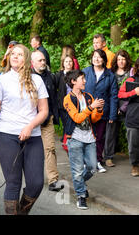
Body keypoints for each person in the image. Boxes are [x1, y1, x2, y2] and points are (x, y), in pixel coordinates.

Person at [0, 44, 49, 215]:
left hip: (32, 136)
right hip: (7, 137)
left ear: (26, 59)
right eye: (13, 53)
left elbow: (44, 111)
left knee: (36, 183)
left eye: (20, 54)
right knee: (13, 182)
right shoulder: (1, 80)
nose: (15, 56)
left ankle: (21, 212)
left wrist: (30, 126)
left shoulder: (37, 80)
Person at [63, 70, 104, 210]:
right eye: (82, 79)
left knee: (92, 168)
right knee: (78, 170)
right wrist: (91, 107)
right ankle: (81, 196)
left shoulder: (88, 96)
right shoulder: (68, 99)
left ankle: (78, 182)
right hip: (74, 138)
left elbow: (93, 119)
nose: (85, 81)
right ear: (73, 81)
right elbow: (77, 118)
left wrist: (98, 110)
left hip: (89, 138)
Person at [82, 49, 118, 173]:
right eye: (94, 57)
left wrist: (112, 115)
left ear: (103, 59)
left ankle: (97, 160)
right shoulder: (85, 72)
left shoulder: (110, 75)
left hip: (103, 112)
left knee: (99, 137)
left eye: (99, 57)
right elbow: (79, 90)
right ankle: (87, 161)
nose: (96, 59)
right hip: (87, 110)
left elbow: (113, 96)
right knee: (86, 136)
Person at [31, 50, 61, 192]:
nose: (43, 62)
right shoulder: (27, 78)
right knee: (32, 150)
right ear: (32, 63)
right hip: (31, 120)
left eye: (44, 60)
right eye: (40, 60)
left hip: (47, 118)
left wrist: (54, 115)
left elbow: (54, 97)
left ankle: (53, 180)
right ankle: (32, 177)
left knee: (50, 149)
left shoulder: (50, 76)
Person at [105, 49, 133, 167]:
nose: (121, 61)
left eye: (123, 59)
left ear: (127, 60)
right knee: (110, 131)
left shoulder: (131, 72)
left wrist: (123, 108)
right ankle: (108, 157)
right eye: (119, 59)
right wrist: (114, 107)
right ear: (116, 60)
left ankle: (133, 158)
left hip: (128, 105)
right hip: (114, 105)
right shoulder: (111, 73)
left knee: (131, 132)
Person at [118, 57, 139, 177]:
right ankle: (135, 165)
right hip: (133, 116)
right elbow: (120, 95)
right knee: (133, 144)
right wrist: (134, 92)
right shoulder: (130, 80)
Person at [55, 54, 76, 152]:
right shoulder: (59, 75)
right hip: (63, 105)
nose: (68, 63)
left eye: (70, 61)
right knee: (66, 123)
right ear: (63, 63)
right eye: (66, 61)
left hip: (74, 103)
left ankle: (69, 142)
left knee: (72, 123)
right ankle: (66, 142)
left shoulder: (76, 74)